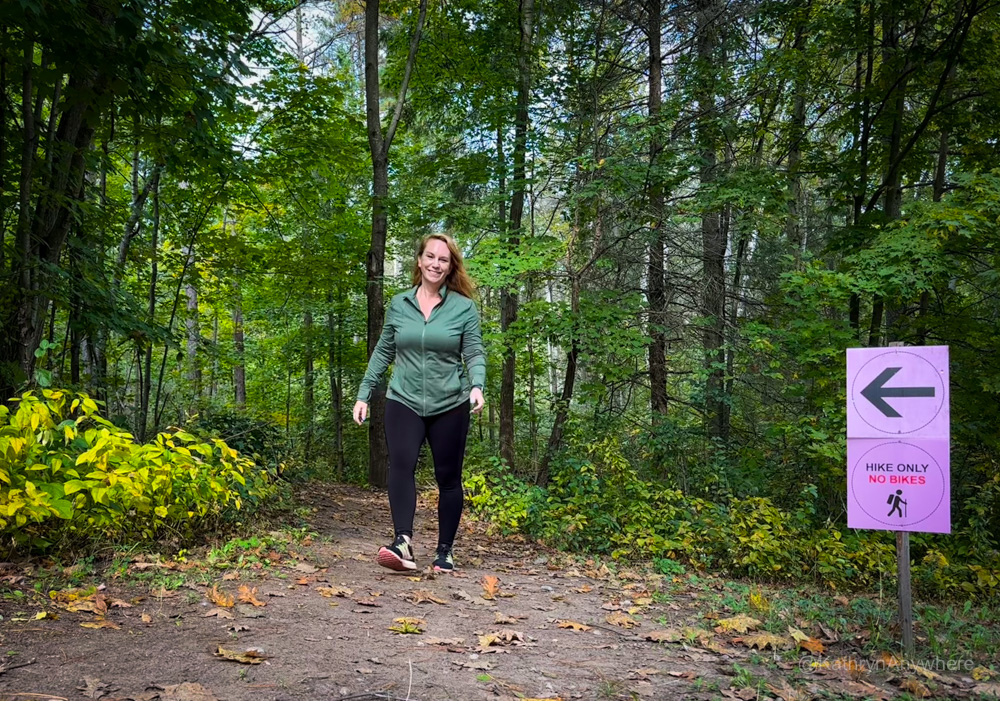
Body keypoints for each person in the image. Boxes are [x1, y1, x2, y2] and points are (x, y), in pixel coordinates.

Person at [353, 234, 486, 573]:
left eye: (443, 259)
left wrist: (477, 386)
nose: (435, 264)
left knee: (448, 477)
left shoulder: (463, 307)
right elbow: (384, 350)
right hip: (404, 398)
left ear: (450, 265)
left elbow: (473, 351)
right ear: (419, 260)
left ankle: (445, 551)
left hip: (450, 403)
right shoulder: (400, 304)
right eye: (430, 256)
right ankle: (403, 541)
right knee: (401, 463)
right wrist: (364, 392)